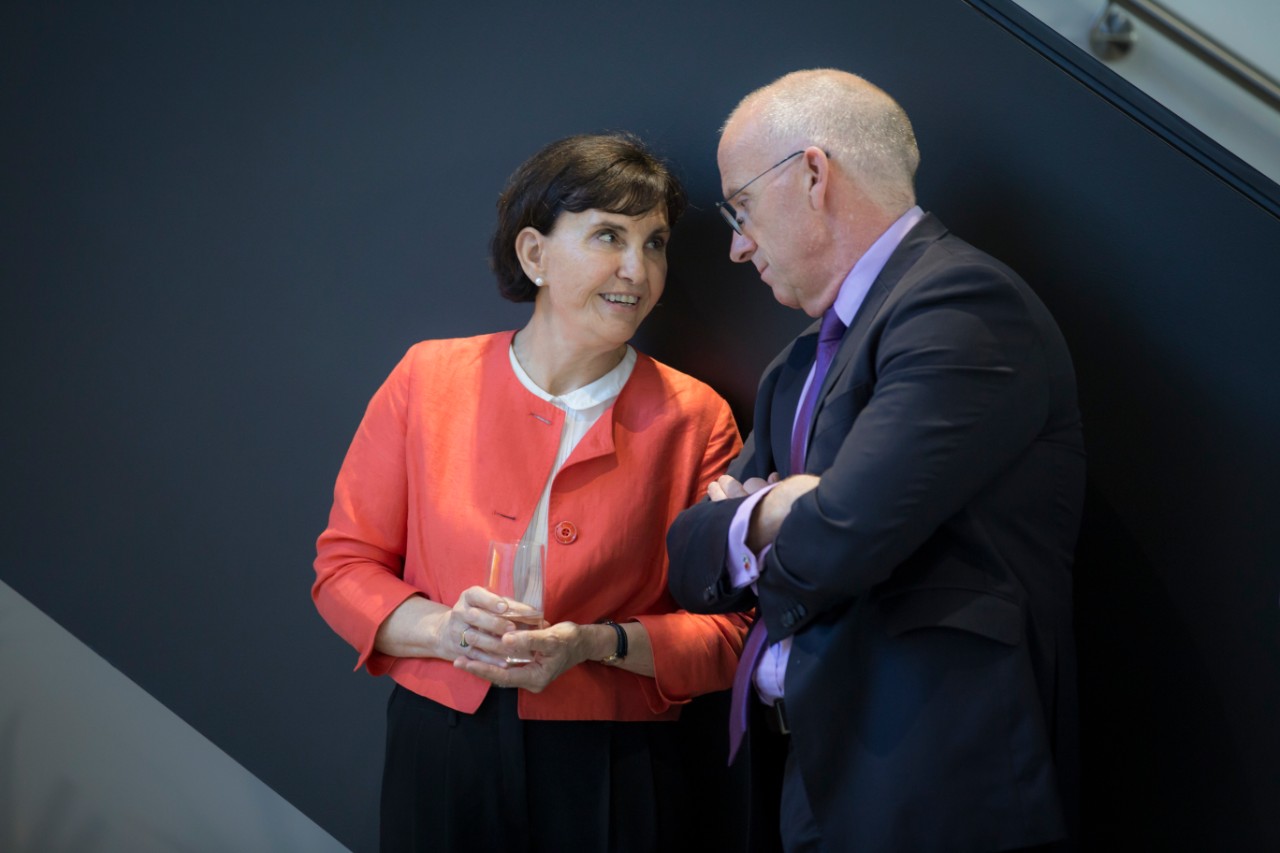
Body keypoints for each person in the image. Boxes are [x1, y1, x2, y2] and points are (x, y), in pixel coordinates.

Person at [666, 69, 1085, 852]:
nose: (735, 244)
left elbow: (845, 533)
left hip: (933, 791)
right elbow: (688, 556)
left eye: (741, 205)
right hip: (814, 775)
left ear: (815, 175)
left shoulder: (961, 302)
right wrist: (775, 507)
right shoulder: (796, 360)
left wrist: (760, 519)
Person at [313, 132, 748, 853]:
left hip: (613, 762)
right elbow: (343, 569)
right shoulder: (428, 378)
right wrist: (445, 630)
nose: (637, 269)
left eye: (656, 242)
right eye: (609, 235)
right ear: (534, 254)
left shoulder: (698, 418)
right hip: (442, 745)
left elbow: (732, 633)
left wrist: (593, 644)